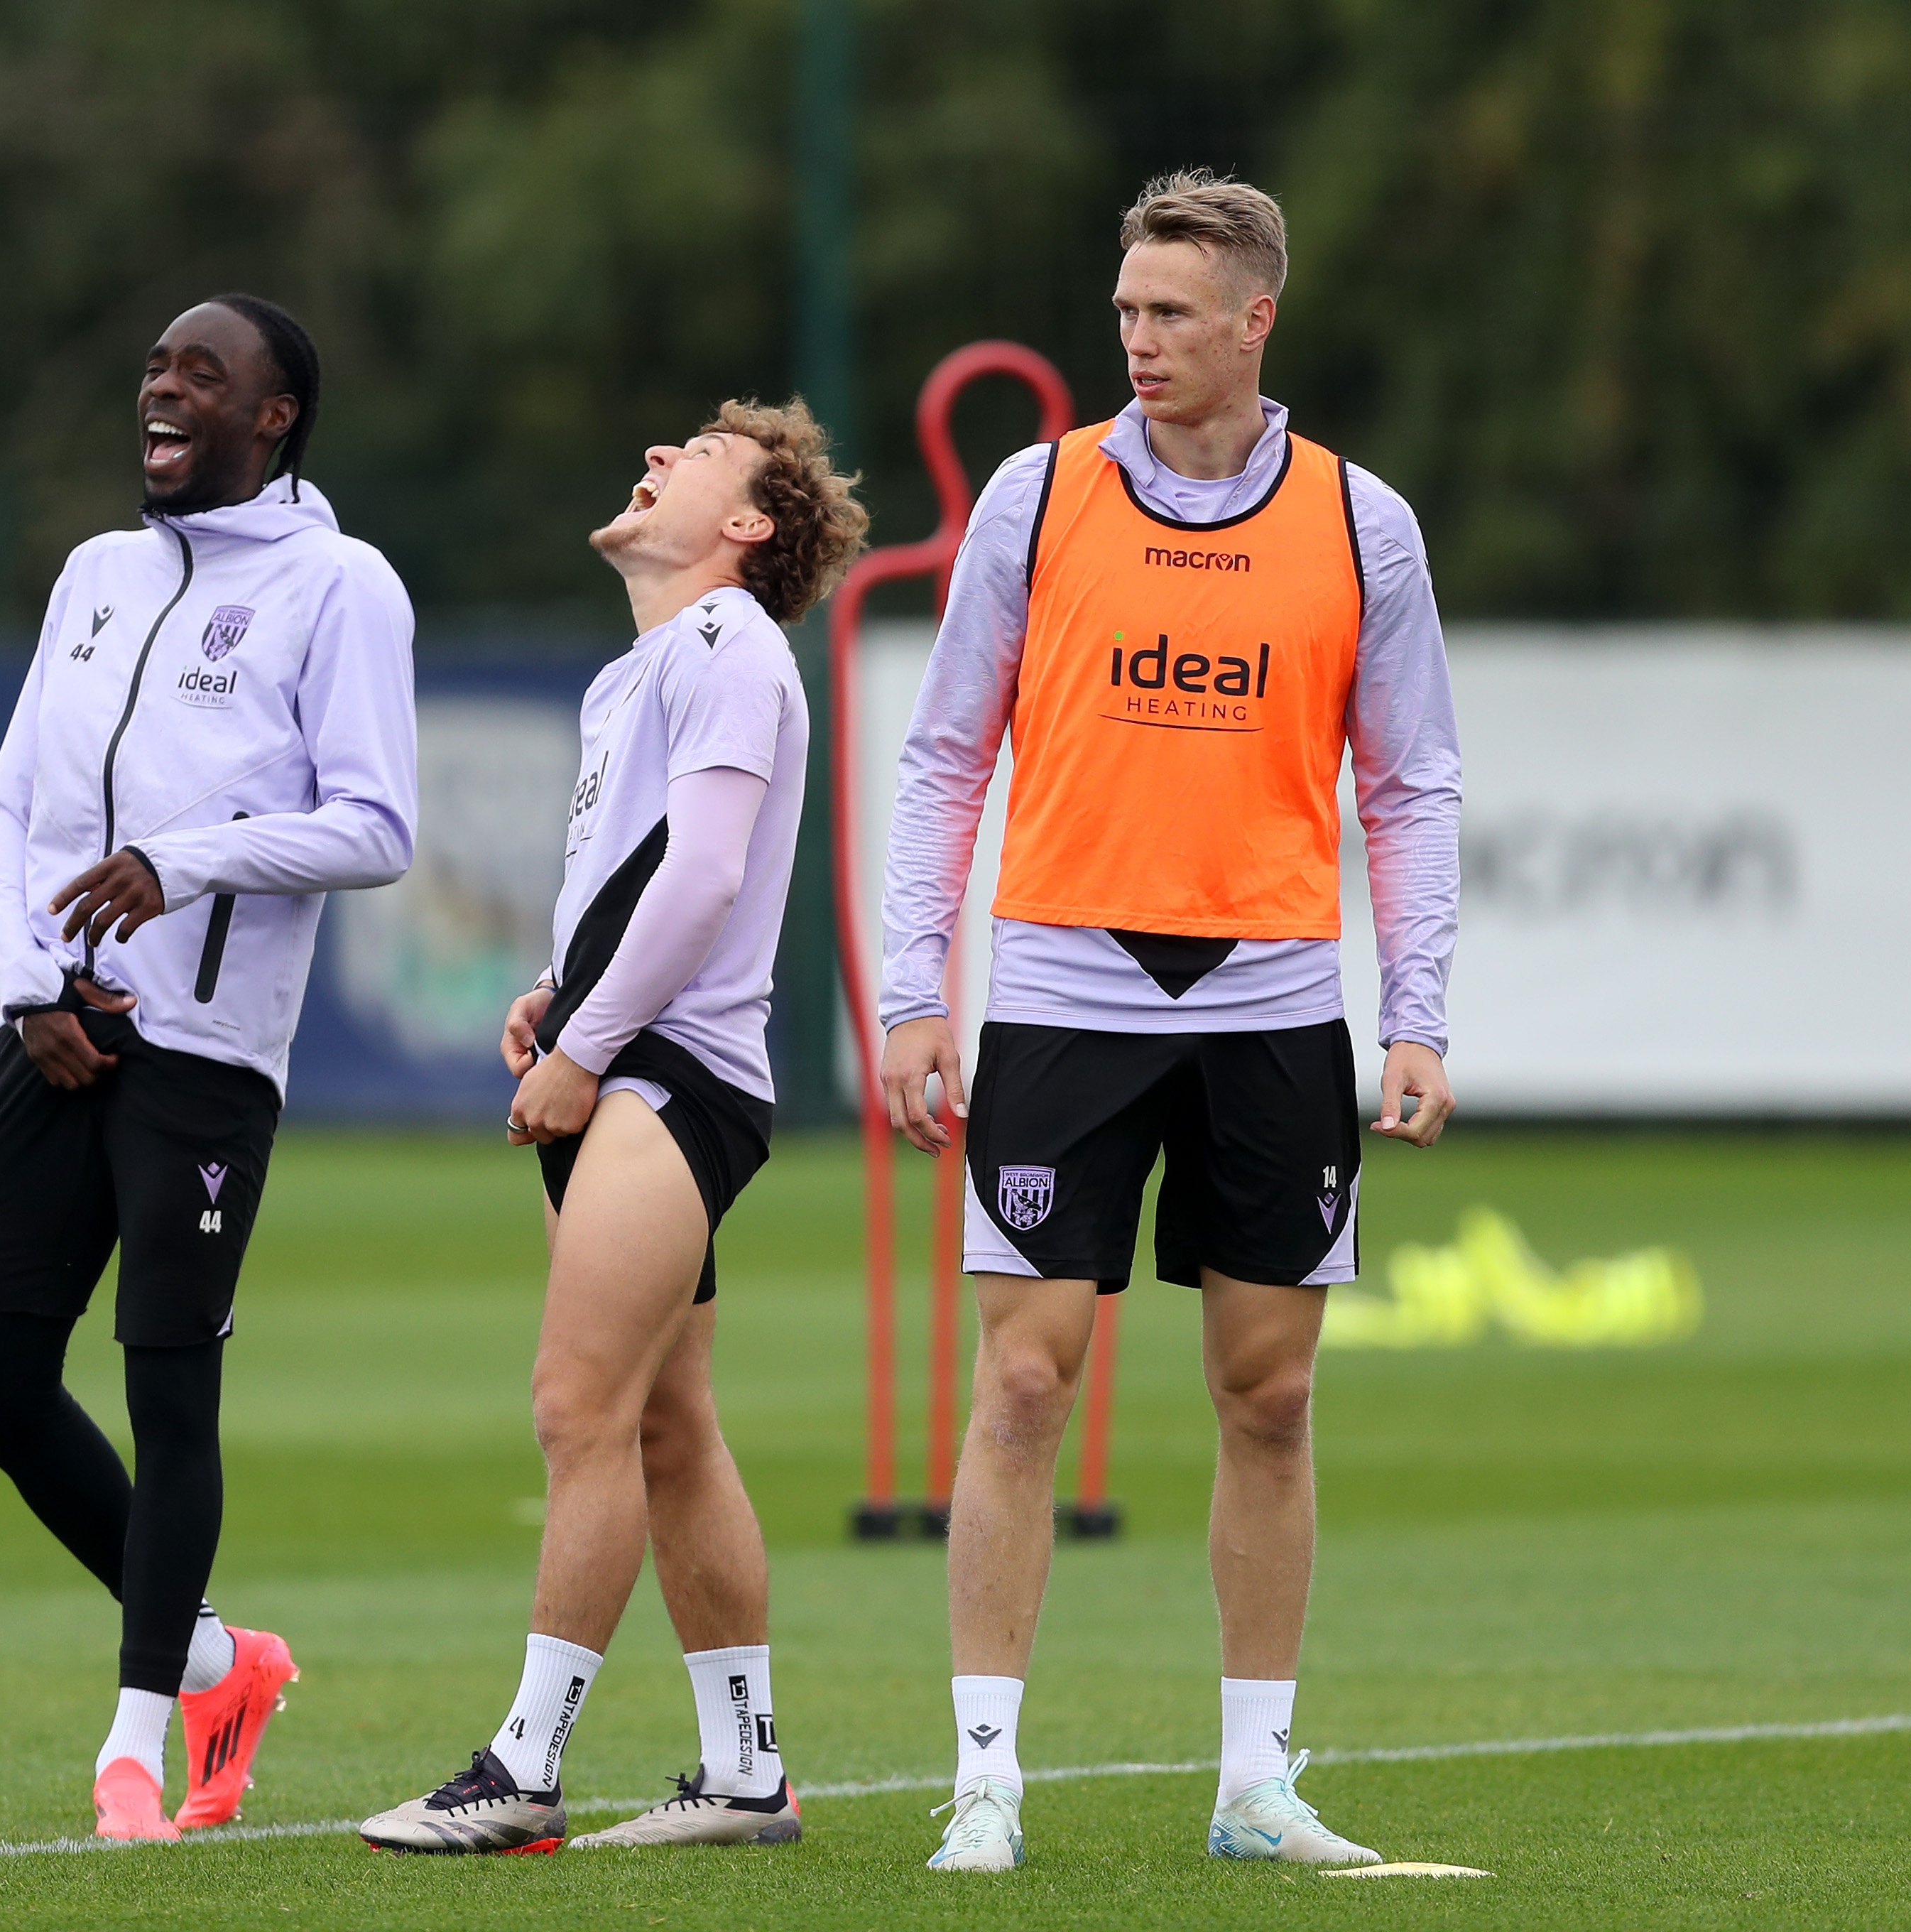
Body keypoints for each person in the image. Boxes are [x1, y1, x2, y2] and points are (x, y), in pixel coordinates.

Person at [878, 171, 1461, 1874]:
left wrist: (1415, 1015)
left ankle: (1256, 1785)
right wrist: (920, 990)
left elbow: (1411, 786)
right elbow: (942, 756)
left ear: (1257, 318)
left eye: (1172, 314)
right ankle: (986, 1778)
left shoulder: (1366, 521)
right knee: (1025, 1381)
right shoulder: (1033, 496)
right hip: (1062, 986)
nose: (1136, 341)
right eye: (1125, 311)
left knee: (1269, 1399)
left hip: (1275, 998)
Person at [357, 401, 867, 1856]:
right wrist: (555, 990)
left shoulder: (727, 644)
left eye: (696, 456)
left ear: (747, 526)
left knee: (575, 1407)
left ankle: (524, 1765)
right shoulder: (637, 674)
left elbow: (705, 880)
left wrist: (584, 1046)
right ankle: (746, 1771)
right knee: (665, 1423)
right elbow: (647, 881)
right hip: (627, 1059)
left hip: (668, 1080)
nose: (655, 454)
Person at [0, 294, 418, 1842]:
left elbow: (376, 825)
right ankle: (219, 1657)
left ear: (274, 416)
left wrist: (182, 864)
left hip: (205, 1054)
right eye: (156, 363)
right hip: (54, 1026)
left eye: (202, 372)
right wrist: (30, 985)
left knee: (172, 1390)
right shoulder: (95, 573)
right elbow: (12, 805)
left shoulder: (343, 587)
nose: (163, 384)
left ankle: (136, 1746)